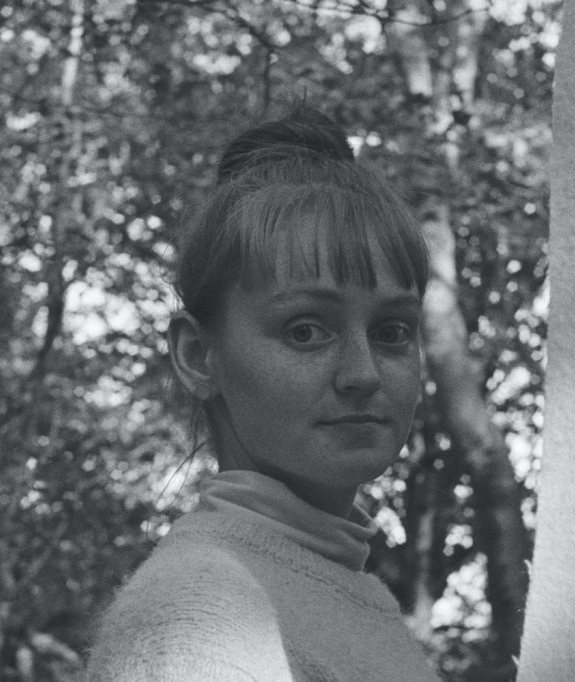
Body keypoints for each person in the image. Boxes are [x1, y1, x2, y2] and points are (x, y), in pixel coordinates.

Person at [85, 106, 441, 681]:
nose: (363, 373)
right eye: (306, 331)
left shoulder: (355, 596)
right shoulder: (199, 616)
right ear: (197, 355)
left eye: (392, 331)